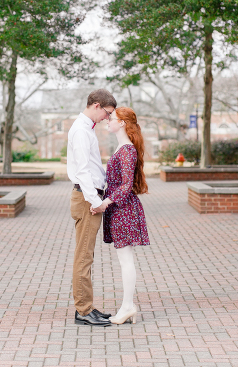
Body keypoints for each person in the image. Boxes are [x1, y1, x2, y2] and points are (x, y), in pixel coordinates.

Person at [92, 106, 150, 325]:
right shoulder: (122, 148)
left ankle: (128, 307)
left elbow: (125, 186)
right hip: (120, 209)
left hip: (124, 209)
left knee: (126, 261)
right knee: (124, 260)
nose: (108, 120)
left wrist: (104, 203)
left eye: (112, 118)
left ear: (123, 123)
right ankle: (127, 306)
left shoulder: (127, 150)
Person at [67, 88, 117, 327]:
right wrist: (96, 202)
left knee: (87, 255)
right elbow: (83, 170)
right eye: (107, 113)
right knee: (84, 256)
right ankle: (83, 310)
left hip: (90, 197)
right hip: (87, 199)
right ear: (96, 105)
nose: (107, 118)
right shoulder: (80, 130)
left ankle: (87, 307)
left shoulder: (86, 129)